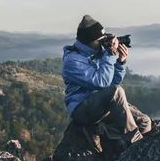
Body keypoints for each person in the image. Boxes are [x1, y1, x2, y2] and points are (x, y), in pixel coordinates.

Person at [62, 15, 152, 153]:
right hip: (82, 109)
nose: (103, 43)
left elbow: (112, 83)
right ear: (89, 41)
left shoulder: (98, 53)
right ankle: (134, 143)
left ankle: (103, 131)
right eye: (100, 40)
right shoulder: (73, 61)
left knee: (144, 122)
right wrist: (109, 55)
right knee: (117, 91)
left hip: (101, 106)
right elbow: (102, 83)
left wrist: (120, 62)